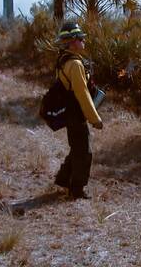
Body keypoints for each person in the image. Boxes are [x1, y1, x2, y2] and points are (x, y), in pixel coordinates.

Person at [53, 22, 103, 199]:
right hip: (76, 112)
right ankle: (77, 189)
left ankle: (63, 179)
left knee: (77, 148)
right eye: (81, 38)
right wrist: (94, 118)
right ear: (73, 41)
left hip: (69, 111)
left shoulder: (64, 59)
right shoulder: (75, 64)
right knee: (84, 152)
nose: (83, 41)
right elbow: (82, 94)